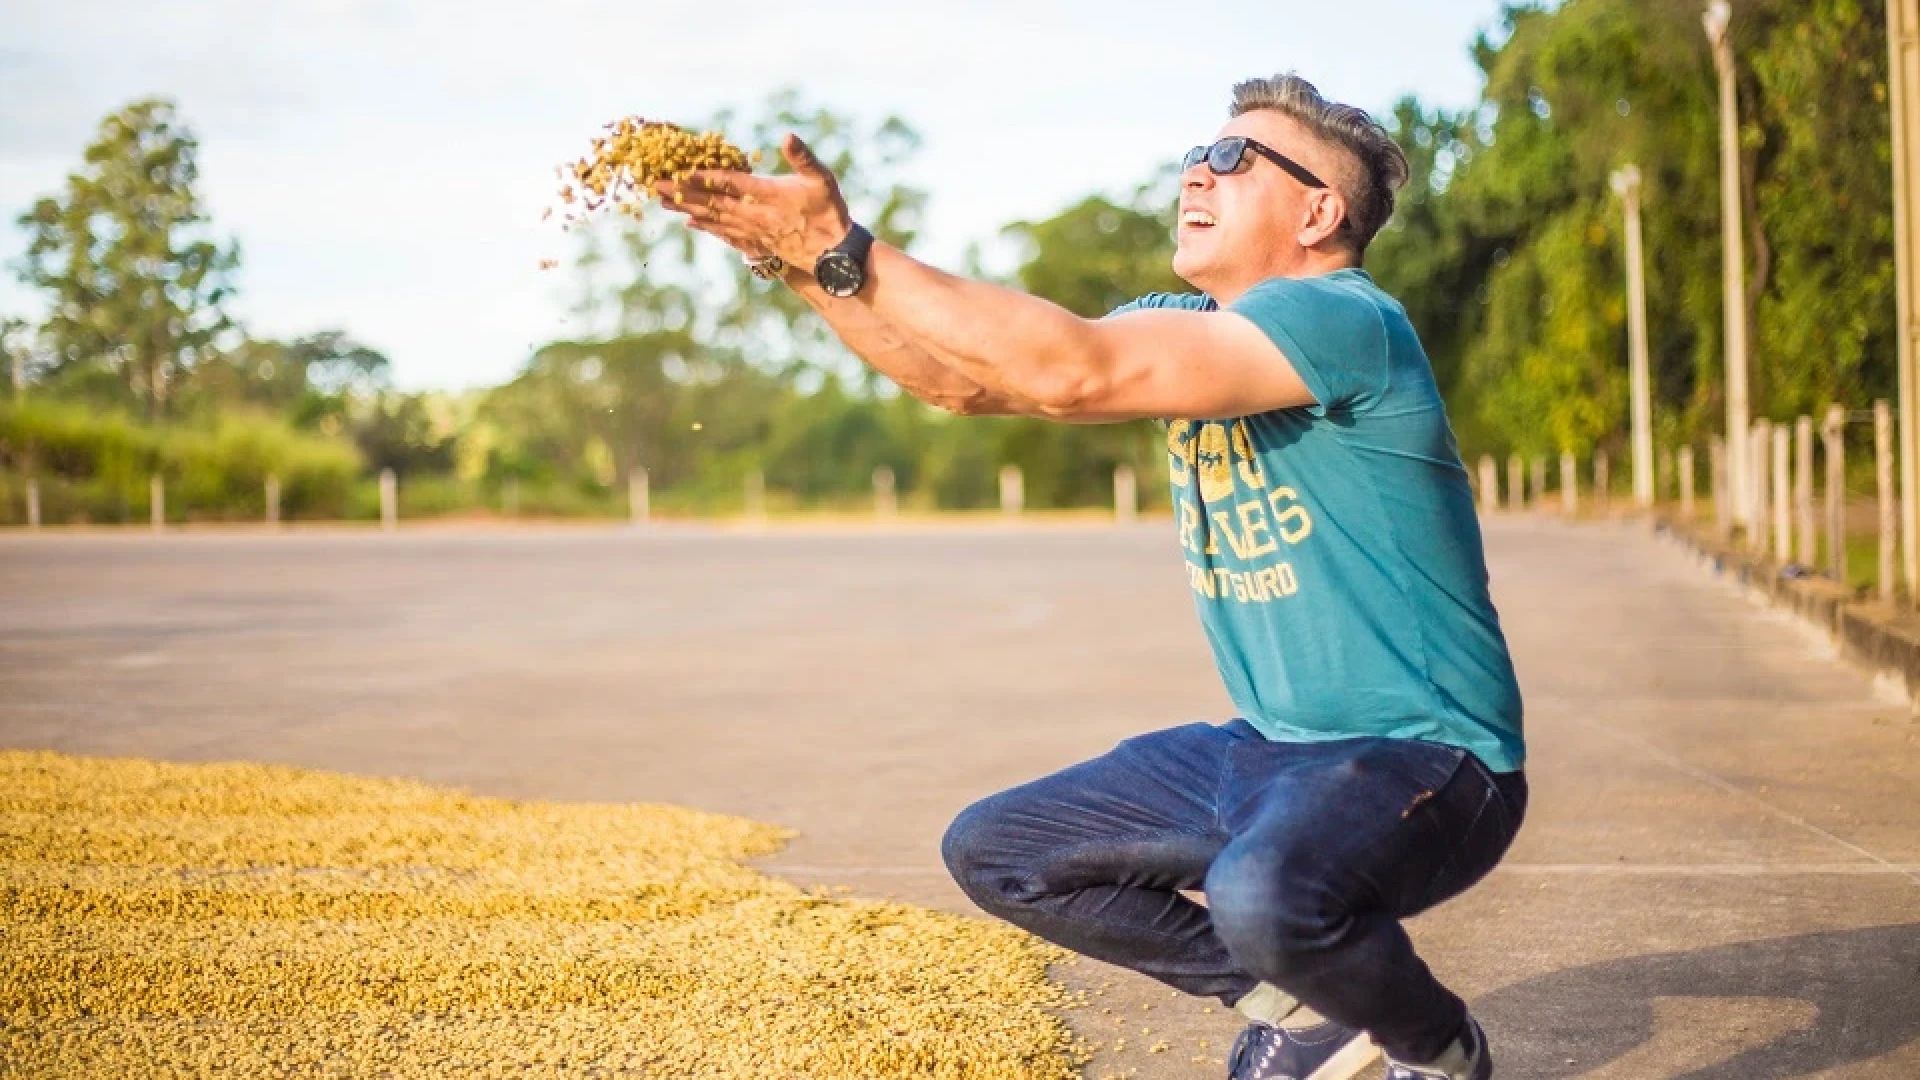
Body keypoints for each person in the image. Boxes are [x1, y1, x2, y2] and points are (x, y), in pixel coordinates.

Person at [657, 72, 1527, 1080]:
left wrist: (850, 246)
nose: (1199, 170)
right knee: (998, 849)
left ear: (1319, 210)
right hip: (1274, 754)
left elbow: (1075, 368)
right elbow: (964, 381)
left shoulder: (1344, 320)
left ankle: (1439, 1052)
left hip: (1429, 761)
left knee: (1262, 894)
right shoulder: (1188, 325)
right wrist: (806, 266)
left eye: (1237, 157)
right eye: (1200, 151)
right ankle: (1301, 1005)